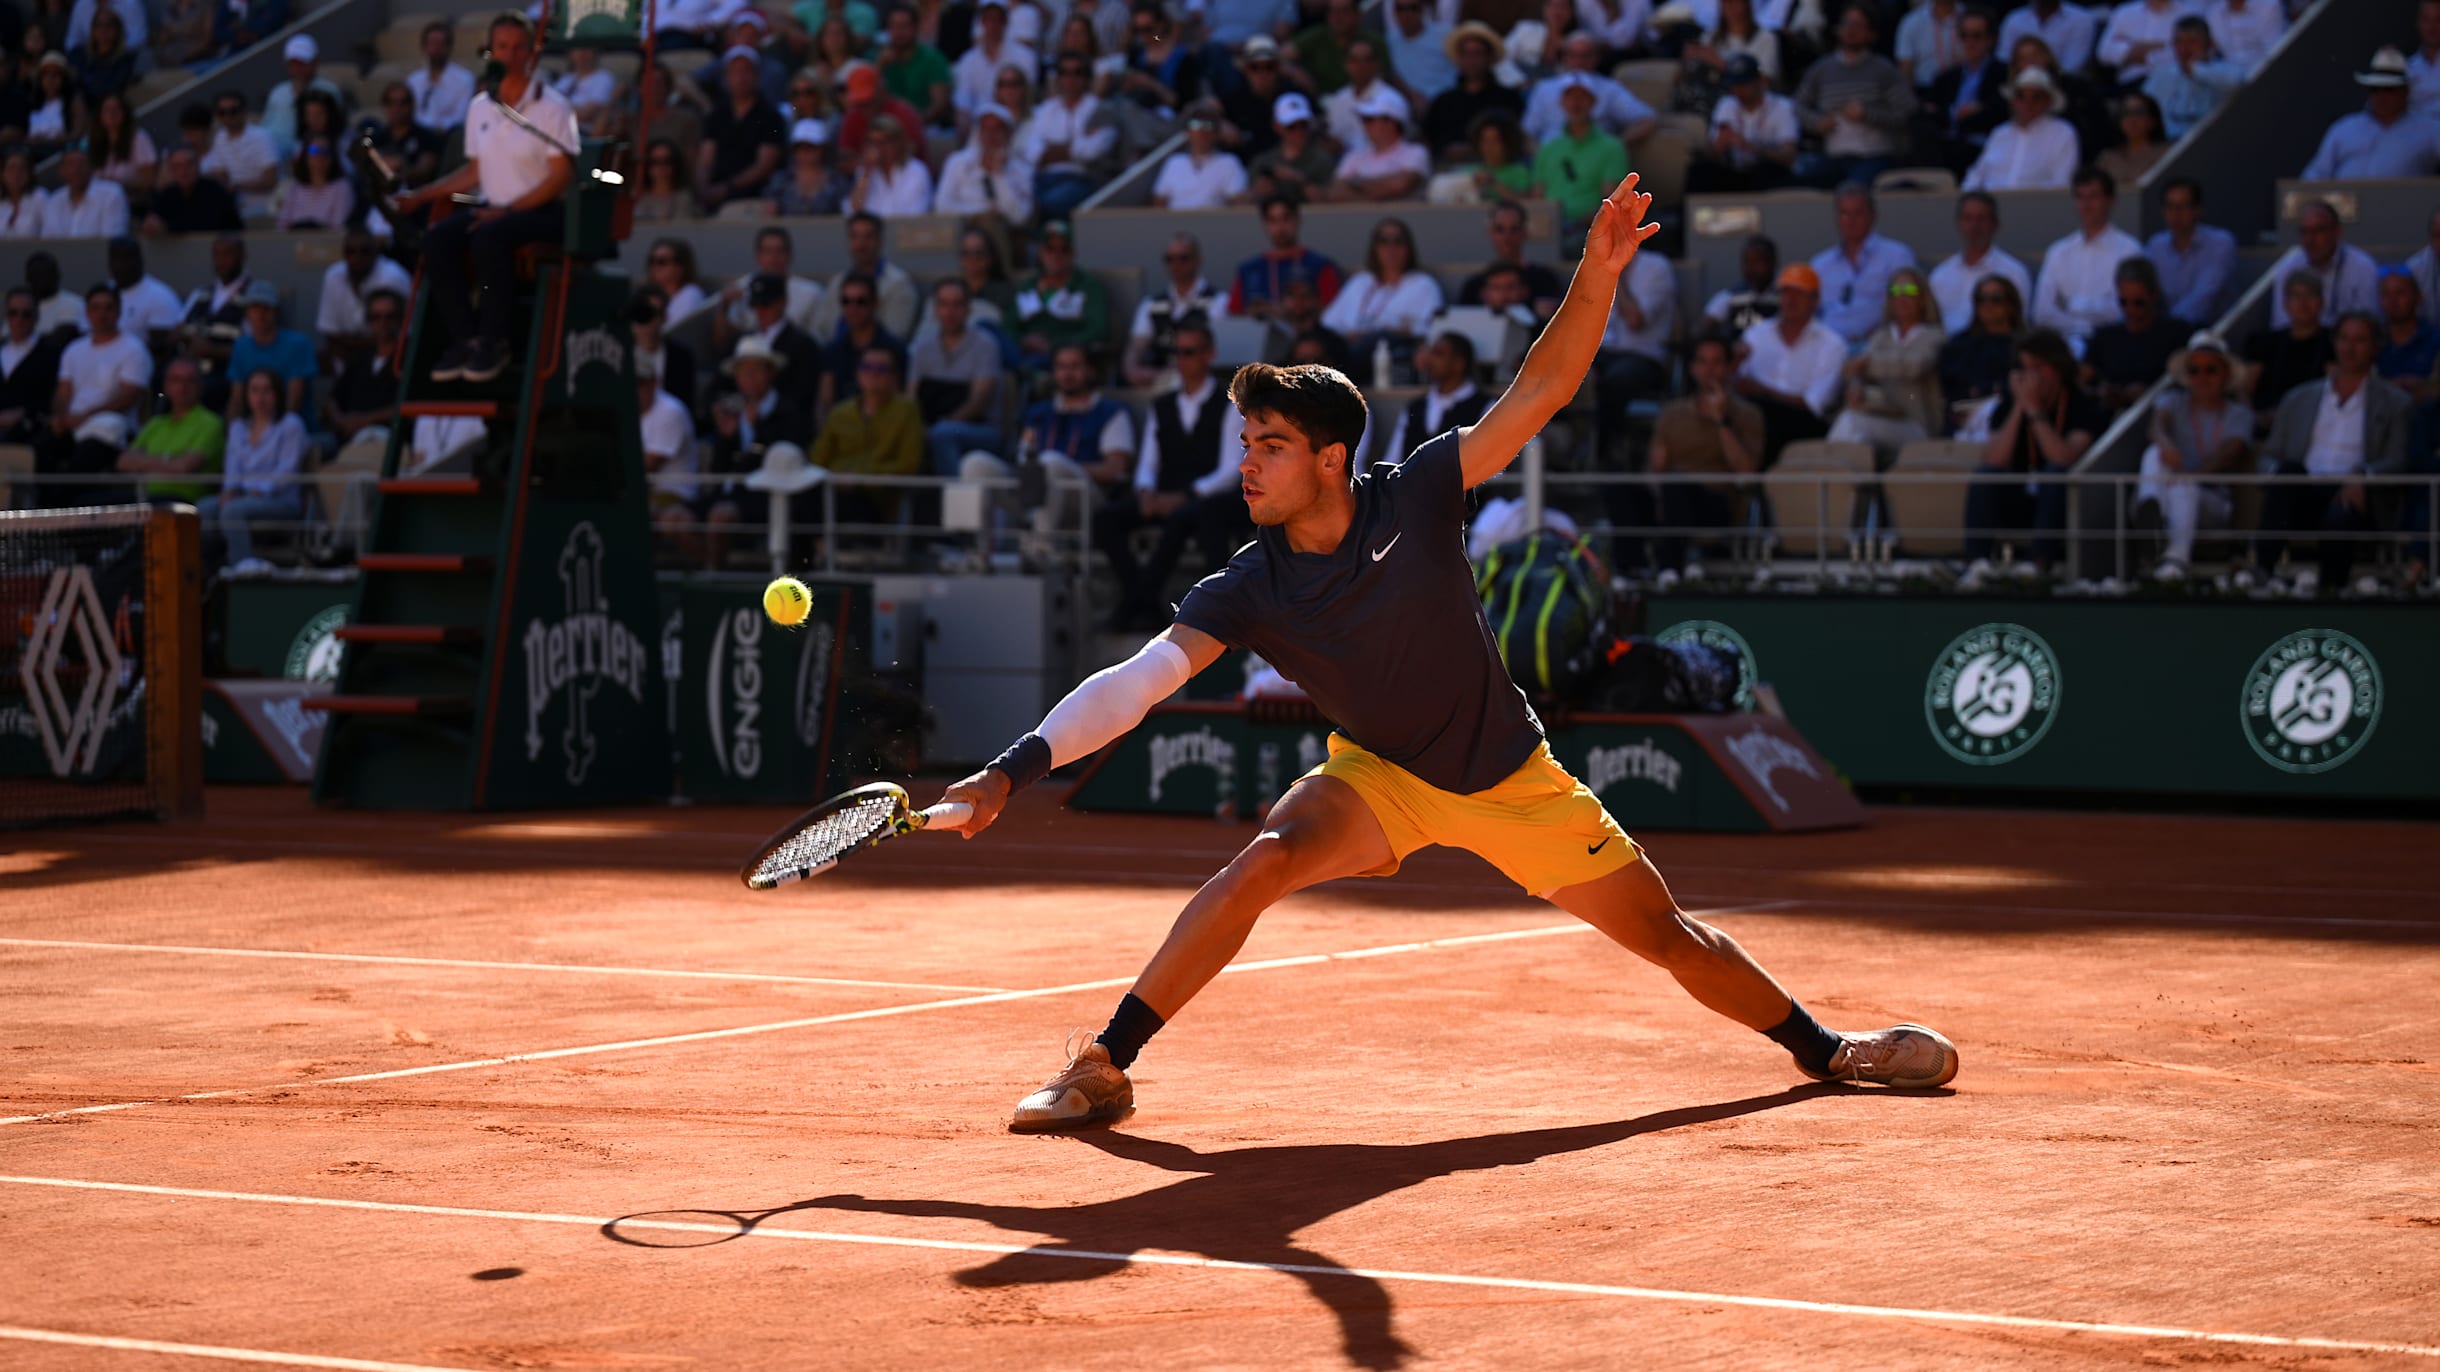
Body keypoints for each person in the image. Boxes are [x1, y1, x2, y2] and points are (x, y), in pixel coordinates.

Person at [937, 172, 1956, 1137]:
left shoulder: (1417, 491)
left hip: (1511, 775)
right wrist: (1010, 770)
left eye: (1270, 444)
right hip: (1380, 776)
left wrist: (1594, 280)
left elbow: (1542, 388)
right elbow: (1137, 681)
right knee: (1262, 863)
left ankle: (1828, 1051)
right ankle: (1105, 1064)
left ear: (1330, 459)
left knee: (1666, 935)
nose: (1246, 461)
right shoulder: (1247, 583)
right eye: (1245, 442)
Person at [393, 14, 578, 388]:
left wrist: (508, 211)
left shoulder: (553, 106)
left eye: (517, 47)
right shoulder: (479, 106)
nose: (509, 55)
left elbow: (562, 176)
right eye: (502, 47)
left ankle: (496, 339)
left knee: (488, 236)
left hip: (541, 212)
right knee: (437, 239)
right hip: (493, 209)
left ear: (531, 53)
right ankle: (465, 338)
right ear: (491, 52)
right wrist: (420, 196)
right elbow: (474, 172)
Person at [1094, 320, 1248, 631]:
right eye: (1177, 352)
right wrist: (1146, 492)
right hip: (1165, 494)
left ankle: (1135, 603)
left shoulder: (1229, 405)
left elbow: (1231, 467)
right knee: (1105, 519)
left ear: (1209, 355)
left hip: (1203, 498)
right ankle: (1145, 600)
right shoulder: (1162, 404)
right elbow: (1149, 461)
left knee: (1185, 518)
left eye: (1189, 352)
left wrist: (1187, 495)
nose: (1181, 360)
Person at [2254, 313, 2410, 597]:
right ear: (2334, 343)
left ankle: (2330, 591)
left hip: (2355, 495)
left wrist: (2364, 476)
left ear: (2375, 347)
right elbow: (2268, 456)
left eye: (2360, 340)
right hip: (2303, 489)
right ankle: (2262, 574)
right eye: (2344, 339)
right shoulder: (2298, 398)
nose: (2350, 348)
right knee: (2286, 472)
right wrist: (2276, 474)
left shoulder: (2396, 403)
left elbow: (2399, 458)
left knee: (2342, 512)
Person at [1963, 328, 2102, 576]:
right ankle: (1977, 563)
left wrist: (2036, 411)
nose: (2030, 376)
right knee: (1985, 475)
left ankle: (2038, 565)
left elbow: (2064, 457)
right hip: (2019, 499)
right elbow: (1995, 459)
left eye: (2037, 367)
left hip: (2064, 504)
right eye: (2024, 368)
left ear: (2057, 367)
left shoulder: (2082, 404)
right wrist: (2020, 406)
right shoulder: (2009, 403)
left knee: (2055, 472)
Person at [1644, 333, 1764, 577]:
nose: (1710, 370)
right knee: (1620, 490)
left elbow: (1747, 472)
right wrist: (1657, 495)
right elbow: (1656, 467)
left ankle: (1670, 567)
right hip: (1671, 497)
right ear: (1692, 368)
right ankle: (1628, 569)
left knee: (1677, 486)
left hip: (1720, 502)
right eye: (1703, 362)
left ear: (1730, 367)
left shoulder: (1748, 415)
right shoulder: (1671, 414)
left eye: (1717, 362)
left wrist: (1721, 422)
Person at [2132, 332, 2249, 581]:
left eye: (2210, 370)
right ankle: (2150, 512)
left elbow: (2229, 455)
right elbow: (2157, 428)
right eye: (2194, 370)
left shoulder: (2239, 414)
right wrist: (2166, 445)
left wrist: (2189, 476)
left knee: (2185, 486)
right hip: (2171, 490)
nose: (2202, 377)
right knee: (2154, 453)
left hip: (2214, 501)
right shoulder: (2172, 401)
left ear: (2226, 374)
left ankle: (2176, 559)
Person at [39, 284, 151, 507]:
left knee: (85, 456)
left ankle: (63, 514)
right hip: (74, 426)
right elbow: (63, 393)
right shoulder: (74, 349)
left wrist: (84, 417)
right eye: (96, 308)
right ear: (87, 312)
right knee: (41, 447)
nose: (102, 314)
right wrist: (61, 418)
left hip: (112, 428)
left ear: (119, 311)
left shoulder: (133, 348)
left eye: (109, 308)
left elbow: (128, 397)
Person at [1827, 266, 1946, 468]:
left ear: (1923, 298)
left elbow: (1914, 366)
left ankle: (1825, 479)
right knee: (1857, 440)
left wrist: (1867, 363)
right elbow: (1852, 369)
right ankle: (1851, 496)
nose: (1901, 297)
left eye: (1909, 291)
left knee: (1852, 422)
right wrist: (1856, 384)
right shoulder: (1881, 337)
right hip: (1881, 417)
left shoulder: (1934, 336)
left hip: (1919, 426)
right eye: (1895, 292)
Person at [316, 289, 405, 549]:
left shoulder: (407, 357)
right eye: (375, 317)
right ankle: (326, 537)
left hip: (386, 439)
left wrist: (365, 420)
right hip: (348, 438)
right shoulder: (360, 359)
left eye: (389, 317)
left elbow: (405, 405)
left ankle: (341, 545)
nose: (382, 324)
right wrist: (341, 418)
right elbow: (333, 398)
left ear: (400, 320)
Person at [1734, 263, 1847, 463]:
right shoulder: (1756, 335)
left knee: (1760, 414)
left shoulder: (1832, 344)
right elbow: (1736, 382)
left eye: (1800, 293)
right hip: (1755, 416)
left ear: (1815, 300)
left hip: (1804, 422)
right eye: (1786, 292)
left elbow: (1814, 405)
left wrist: (1762, 392)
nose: (1791, 299)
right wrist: (1734, 362)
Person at [1791, 5, 1912, 187]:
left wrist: (1867, 114)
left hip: (1873, 155)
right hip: (1833, 154)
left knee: (1855, 192)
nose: (1851, 30)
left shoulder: (1883, 70)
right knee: (1801, 186)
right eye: (1847, 24)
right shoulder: (1821, 69)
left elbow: (1906, 111)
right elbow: (1797, 106)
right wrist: (1817, 122)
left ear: (1871, 34)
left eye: (1858, 25)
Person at [2030, 166, 2144, 351]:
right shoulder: (2059, 251)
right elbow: (2042, 312)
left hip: (2115, 344)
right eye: (2080, 197)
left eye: (2093, 196)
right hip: (2064, 345)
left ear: (2111, 200)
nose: (2086, 204)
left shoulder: (2130, 249)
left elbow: (2124, 310)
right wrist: (2084, 324)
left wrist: (2074, 307)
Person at [206, 368, 309, 572]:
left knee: (232, 511)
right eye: (254, 391)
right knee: (201, 511)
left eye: (267, 391)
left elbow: (287, 470)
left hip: (280, 500)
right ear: (246, 395)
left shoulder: (291, 425)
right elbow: (232, 467)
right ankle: (207, 572)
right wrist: (230, 489)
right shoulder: (238, 427)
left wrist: (258, 490)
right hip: (243, 496)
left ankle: (242, 571)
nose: (260, 398)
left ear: (277, 394)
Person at [809, 342, 925, 523]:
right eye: (867, 367)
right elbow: (817, 460)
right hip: (835, 490)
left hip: (878, 498)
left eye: (881, 368)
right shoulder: (840, 413)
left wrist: (859, 477)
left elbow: (908, 464)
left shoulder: (907, 411)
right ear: (858, 373)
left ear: (894, 377)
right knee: (802, 503)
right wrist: (839, 477)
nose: (873, 373)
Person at [1320, 218, 1444, 376]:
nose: (1391, 247)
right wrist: (1350, 335)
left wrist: (1401, 331)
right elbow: (1328, 324)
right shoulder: (1361, 282)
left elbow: (1433, 331)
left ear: (1409, 247)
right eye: (1383, 241)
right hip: (1351, 347)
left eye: (1398, 241)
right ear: (1374, 247)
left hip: (1395, 351)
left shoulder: (1423, 285)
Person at [910, 278, 1004, 475]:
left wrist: (940, 427)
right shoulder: (921, 348)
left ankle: (955, 499)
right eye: (943, 304)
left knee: (943, 434)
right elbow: (910, 398)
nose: (950, 312)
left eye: (957, 305)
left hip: (979, 429)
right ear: (935, 310)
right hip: (930, 427)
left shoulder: (986, 345)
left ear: (968, 309)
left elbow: (979, 402)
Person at [2304, 48, 2440, 182]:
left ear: (2405, 91)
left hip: (2406, 202)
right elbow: (2316, 174)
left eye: (2389, 90)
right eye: (2375, 89)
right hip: (2346, 202)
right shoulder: (2344, 129)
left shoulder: (2429, 130)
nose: (2382, 97)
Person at [1810, 183, 1917, 345]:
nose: (1850, 221)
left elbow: (1909, 305)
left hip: (1881, 345)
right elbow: (1810, 314)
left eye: (1858, 214)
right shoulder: (1820, 264)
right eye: (1844, 214)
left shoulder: (1897, 256)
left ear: (1873, 216)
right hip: (1827, 348)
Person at [2082, 257, 2188, 416]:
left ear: (2154, 296)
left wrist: (2151, 392)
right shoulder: (2104, 338)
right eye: (2123, 302)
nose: (2130, 310)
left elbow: (2188, 383)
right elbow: (2084, 381)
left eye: (2139, 302)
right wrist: (2103, 392)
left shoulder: (2178, 334)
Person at [1019, 52, 1119, 221]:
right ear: (1058, 78)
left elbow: (1096, 150)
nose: (1070, 78)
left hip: (1081, 179)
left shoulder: (1100, 109)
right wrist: (1074, 148)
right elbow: (1030, 150)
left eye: (1077, 72)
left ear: (1087, 77)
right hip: (1042, 178)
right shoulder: (1046, 109)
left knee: (1049, 203)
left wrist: (1051, 149)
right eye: (1064, 72)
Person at [117, 357, 224, 505]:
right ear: (166, 386)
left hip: (183, 502)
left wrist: (144, 462)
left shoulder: (211, 423)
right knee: (91, 503)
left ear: (200, 386)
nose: (182, 387)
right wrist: (169, 460)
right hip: (145, 498)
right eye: (176, 380)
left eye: (190, 381)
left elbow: (184, 467)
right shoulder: (156, 424)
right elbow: (123, 462)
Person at [1126, 234, 1227, 388]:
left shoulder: (1218, 301)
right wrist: (1133, 370)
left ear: (1197, 261)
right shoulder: (1150, 304)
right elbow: (1136, 347)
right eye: (1170, 259)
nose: (1176, 264)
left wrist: (1172, 374)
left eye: (1183, 258)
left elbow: (1214, 353)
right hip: (1156, 379)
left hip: (1199, 381)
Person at [1010, 220, 1111, 375]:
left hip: (1065, 358)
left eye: (1064, 249)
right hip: (1022, 352)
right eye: (1050, 248)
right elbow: (1007, 325)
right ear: (1040, 252)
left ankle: (1029, 375)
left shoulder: (1088, 286)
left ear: (1073, 253)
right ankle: (1028, 374)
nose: (1056, 255)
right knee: (987, 329)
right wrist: (1023, 341)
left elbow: (1098, 329)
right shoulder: (1027, 286)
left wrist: (1055, 345)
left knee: (1030, 365)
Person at [2241, 273, 2334, 441]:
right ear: (2285, 303)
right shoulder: (2264, 342)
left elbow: (2335, 390)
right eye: (2296, 296)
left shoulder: (2335, 343)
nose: (2303, 303)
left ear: (2321, 301)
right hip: (2267, 428)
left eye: (2310, 295)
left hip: (2315, 428)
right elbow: (2244, 391)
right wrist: (2256, 417)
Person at [1530, 74, 1629, 230]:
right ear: (1562, 102)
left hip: (1590, 231)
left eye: (1582, 97)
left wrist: (1575, 226)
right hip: (1549, 229)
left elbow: (1610, 202)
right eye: (1570, 97)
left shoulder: (1612, 147)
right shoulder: (1548, 149)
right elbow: (1538, 199)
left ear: (1593, 102)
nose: (1576, 103)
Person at [1376, 329, 1486, 470]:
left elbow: (1487, 463)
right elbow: (1392, 461)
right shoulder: (1415, 407)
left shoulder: (1484, 406)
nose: (1430, 360)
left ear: (1459, 363)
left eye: (1438, 354)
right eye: (1431, 352)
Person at [1918, 4, 2007, 175]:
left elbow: (1997, 110)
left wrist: (1974, 112)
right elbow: (1928, 111)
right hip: (1947, 146)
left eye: (1977, 36)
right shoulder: (1946, 78)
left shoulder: (2003, 74)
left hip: (1985, 148)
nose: (1970, 42)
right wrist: (1955, 113)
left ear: (1991, 39)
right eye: (1964, 36)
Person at [1928, 192, 2031, 339]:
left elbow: (2019, 325)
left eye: (1981, 219)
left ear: (1995, 224)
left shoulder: (2014, 272)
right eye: (1968, 218)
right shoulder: (1940, 275)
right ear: (1958, 224)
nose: (1974, 226)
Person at [1691, 54, 1798, 193]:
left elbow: (1788, 156)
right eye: (1734, 85)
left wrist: (1751, 147)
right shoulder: (1727, 104)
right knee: (1701, 171)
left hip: (1768, 175)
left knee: (1765, 171)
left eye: (1743, 84)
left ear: (1760, 81)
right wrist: (1718, 147)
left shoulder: (1782, 106)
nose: (1738, 90)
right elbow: (1713, 153)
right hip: (1735, 172)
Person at [2266, 201, 2379, 331]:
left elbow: (2370, 326)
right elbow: (2281, 325)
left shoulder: (2363, 267)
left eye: (2317, 231)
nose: (2310, 240)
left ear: (2337, 232)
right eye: (2305, 232)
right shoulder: (2287, 268)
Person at [700, 45, 788, 209]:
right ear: (726, 77)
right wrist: (703, 189)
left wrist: (727, 188)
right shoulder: (716, 116)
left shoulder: (771, 116)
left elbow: (765, 165)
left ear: (757, 76)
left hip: (756, 198)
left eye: (746, 71)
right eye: (735, 71)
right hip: (716, 198)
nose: (741, 77)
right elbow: (706, 159)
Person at [1230, 196, 1344, 320]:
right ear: (1264, 224)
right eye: (1273, 220)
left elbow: (1334, 314)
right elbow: (1234, 315)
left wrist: (1296, 309)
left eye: (1286, 219)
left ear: (1298, 220)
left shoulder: (1321, 265)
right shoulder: (1248, 269)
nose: (1280, 227)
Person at [811, 212, 922, 340]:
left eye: (868, 236)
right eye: (855, 237)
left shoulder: (899, 284)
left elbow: (896, 336)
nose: (861, 244)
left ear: (880, 241)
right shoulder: (837, 282)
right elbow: (822, 328)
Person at [1962, 67, 2075, 192]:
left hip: (2036, 208)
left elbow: (2062, 185)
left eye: (2036, 97)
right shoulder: (2000, 133)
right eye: (2021, 96)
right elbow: (1975, 176)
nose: (2028, 102)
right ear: (2013, 100)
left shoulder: (2062, 134)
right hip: (1991, 207)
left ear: (2048, 101)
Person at [1424, 21, 1522, 160]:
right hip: (1449, 172)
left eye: (1477, 53)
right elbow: (1429, 140)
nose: (1472, 60)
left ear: (1489, 57)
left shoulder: (1509, 99)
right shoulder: (1442, 101)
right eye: (1466, 54)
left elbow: (1515, 142)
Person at [2145, 178, 2235, 329]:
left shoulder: (2221, 243)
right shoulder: (2155, 246)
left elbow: (2204, 299)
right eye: (2170, 207)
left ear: (2197, 210)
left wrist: (2167, 327)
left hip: (2211, 333)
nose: (2175, 214)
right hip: (2166, 332)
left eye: (2183, 207)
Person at [813, 272, 904, 419]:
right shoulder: (832, 350)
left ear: (875, 304)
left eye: (861, 301)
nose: (853, 308)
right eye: (846, 301)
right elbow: (824, 401)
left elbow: (897, 402)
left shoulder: (893, 350)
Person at [1939, 272, 2023, 427]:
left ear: (2011, 305)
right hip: (1964, 423)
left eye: (1996, 299)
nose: (1987, 305)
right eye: (1981, 299)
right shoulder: (1959, 345)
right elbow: (1950, 389)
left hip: (2010, 423)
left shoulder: (2025, 346)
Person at [228, 280, 315, 418]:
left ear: (276, 311)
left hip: (293, 431)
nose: (261, 314)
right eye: (255, 307)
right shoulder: (241, 346)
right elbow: (236, 399)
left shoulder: (298, 344)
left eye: (266, 308)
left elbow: (294, 403)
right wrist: (232, 431)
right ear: (247, 313)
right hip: (253, 430)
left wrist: (273, 434)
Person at [1325, 87, 1429, 202]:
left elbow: (1401, 184)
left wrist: (1355, 183)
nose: (1364, 125)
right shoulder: (1353, 156)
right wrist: (1376, 197)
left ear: (1391, 123)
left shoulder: (1416, 152)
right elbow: (1336, 192)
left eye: (1369, 119)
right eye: (1363, 120)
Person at [2143, 16, 2238, 141]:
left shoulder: (2227, 70)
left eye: (2192, 41)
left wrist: (2196, 70)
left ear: (2209, 43)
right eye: (2178, 42)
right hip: (2169, 146)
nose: (2184, 48)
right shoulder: (2162, 75)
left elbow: (2237, 83)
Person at [932, 103, 1032, 219]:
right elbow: (941, 205)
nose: (990, 135)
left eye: (997, 129)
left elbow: (1018, 217)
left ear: (1008, 134)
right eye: (985, 128)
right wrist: (981, 213)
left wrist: (998, 175)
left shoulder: (1022, 169)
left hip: (1002, 230)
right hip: (963, 226)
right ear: (978, 133)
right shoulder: (957, 162)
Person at [1242, 92, 1338, 205]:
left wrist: (1299, 180)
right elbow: (1246, 205)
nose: (1299, 132)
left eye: (1303, 125)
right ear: (1277, 127)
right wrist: (1259, 192)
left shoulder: (1323, 160)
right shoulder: (1262, 162)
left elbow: (1329, 204)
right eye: (1291, 126)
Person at [1320, 35, 1413, 151]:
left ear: (1376, 64)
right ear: (1346, 64)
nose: (1361, 65)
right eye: (1354, 60)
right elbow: (1335, 137)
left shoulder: (1392, 100)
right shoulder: (1339, 99)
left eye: (1366, 60)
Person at [0, 287, 65, 447]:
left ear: (37, 316)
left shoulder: (51, 354)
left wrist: (23, 413)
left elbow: (54, 397)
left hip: (29, 428)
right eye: (13, 313)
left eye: (26, 314)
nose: (19, 319)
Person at [1152, 102, 1249, 209]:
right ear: (1187, 132)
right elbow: (1159, 202)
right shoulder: (1174, 162)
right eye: (1195, 124)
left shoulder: (1229, 162)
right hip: (1177, 224)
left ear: (1217, 133)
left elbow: (1239, 203)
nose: (1201, 130)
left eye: (1208, 124)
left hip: (1215, 223)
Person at [143, 143, 242, 237]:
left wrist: (168, 228)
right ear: (171, 169)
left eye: (189, 164)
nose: (183, 171)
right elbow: (154, 219)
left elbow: (206, 226)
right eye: (177, 166)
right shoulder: (167, 195)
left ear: (198, 165)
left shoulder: (216, 192)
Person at [104, 236, 182, 349]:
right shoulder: (102, 294)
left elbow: (162, 349)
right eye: (116, 258)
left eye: (127, 258)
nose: (120, 265)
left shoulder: (160, 296)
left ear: (140, 260)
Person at [850, 112, 935, 215]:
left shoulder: (916, 170)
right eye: (872, 142)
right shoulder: (863, 172)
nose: (877, 148)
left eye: (883, 142)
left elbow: (918, 213)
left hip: (907, 229)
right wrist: (867, 172)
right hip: (874, 230)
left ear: (898, 143)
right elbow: (855, 210)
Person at [39, 141, 129, 238]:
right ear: (61, 170)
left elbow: (113, 242)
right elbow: (48, 242)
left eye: (81, 163)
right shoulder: (54, 201)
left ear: (91, 167)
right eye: (70, 164)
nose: (76, 169)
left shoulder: (111, 194)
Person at [768, 118, 854, 214]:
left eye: (811, 147)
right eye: (800, 147)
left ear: (823, 149)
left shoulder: (837, 180)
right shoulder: (781, 179)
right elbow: (771, 214)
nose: (805, 152)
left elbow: (850, 212)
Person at [1702, 234, 1782, 337]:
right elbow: (1706, 327)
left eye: (1758, 262)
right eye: (1747, 262)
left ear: (1773, 262)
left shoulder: (1784, 296)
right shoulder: (1732, 296)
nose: (1751, 269)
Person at [407, 21, 477, 132]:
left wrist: (437, 129)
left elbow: (460, 118)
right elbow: (411, 115)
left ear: (449, 47)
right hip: (418, 136)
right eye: (432, 44)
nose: (436, 49)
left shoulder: (464, 79)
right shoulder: (413, 80)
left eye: (440, 44)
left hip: (449, 136)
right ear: (424, 48)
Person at [2373, 268, 2439, 387]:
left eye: (2400, 293)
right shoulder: (2371, 340)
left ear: (2418, 297)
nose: (2393, 301)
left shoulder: (2435, 341)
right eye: (2386, 294)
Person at [1998, 0, 2097, 78]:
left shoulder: (2082, 19)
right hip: (2017, 85)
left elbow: (2073, 67)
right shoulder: (2014, 19)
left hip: (2064, 86)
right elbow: (2004, 60)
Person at [1383, 0, 1456, 101]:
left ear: (1423, 11)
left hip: (1445, 102)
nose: (1406, 14)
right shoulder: (1389, 41)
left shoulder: (1447, 35)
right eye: (1400, 9)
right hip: (1406, 106)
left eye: (1413, 8)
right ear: (1393, 13)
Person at [277, 137, 354, 231]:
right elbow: (282, 225)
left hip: (325, 243)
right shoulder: (294, 187)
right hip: (293, 240)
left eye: (326, 151)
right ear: (304, 156)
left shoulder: (342, 187)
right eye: (314, 150)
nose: (320, 156)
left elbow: (337, 227)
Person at [2095, 91, 2168, 187]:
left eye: (2139, 112)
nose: (2132, 119)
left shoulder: (2166, 155)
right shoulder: (2107, 159)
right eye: (2126, 113)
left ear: (2152, 120)